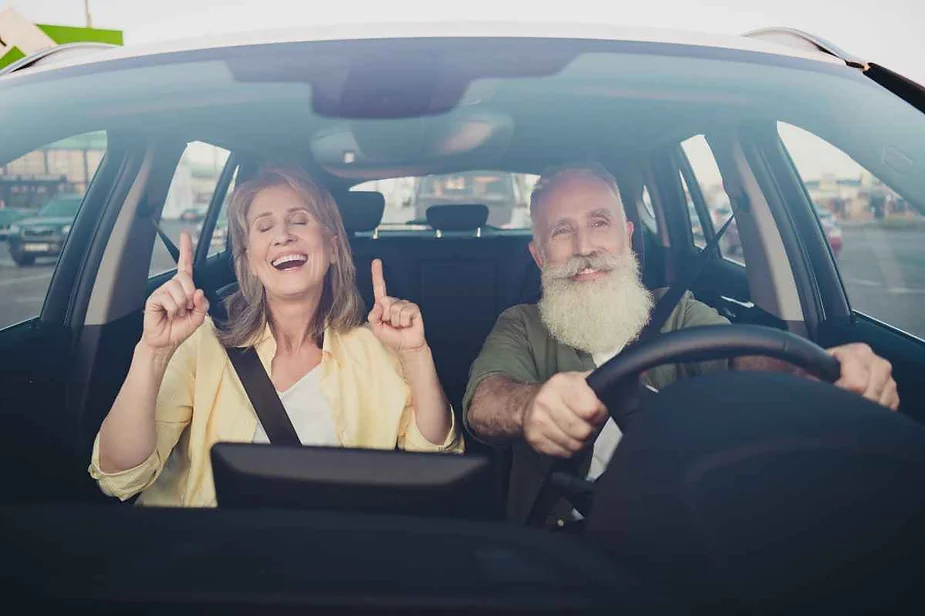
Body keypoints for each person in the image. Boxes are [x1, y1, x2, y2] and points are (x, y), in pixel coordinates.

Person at [462, 161, 899, 525]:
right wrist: (530, 406)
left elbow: (741, 358)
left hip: (687, 528)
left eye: (599, 222)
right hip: (558, 543)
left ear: (627, 235)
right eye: (561, 231)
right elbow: (484, 401)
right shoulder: (521, 324)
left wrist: (808, 374)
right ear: (539, 256)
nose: (584, 247)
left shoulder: (677, 311)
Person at [89, 165, 463, 507]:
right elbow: (120, 477)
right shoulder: (203, 343)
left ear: (332, 247)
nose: (283, 235)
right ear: (248, 260)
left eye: (299, 221)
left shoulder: (377, 349)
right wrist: (153, 352)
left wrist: (416, 354)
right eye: (264, 227)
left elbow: (436, 459)